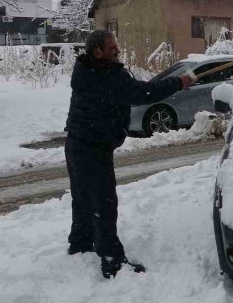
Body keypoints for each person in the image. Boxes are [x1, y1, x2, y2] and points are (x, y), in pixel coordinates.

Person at [64, 30, 195, 278]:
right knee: (104, 202)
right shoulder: (107, 76)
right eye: (112, 47)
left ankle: (80, 242)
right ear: (98, 51)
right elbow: (143, 93)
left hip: (76, 143)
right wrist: (178, 83)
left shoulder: (85, 69)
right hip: (93, 147)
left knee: (82, 196)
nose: (117, 49)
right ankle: (112, 261)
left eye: (116, 45)